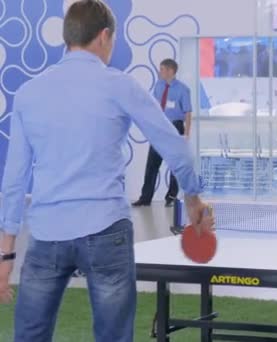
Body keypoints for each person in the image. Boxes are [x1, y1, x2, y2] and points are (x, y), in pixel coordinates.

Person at [0, 1, 212, 341]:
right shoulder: (121, 85)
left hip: (46, 234)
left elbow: (13, 179)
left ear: (67, 38)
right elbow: (171, 143)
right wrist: (192, 196)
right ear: (104, 36)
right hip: (106, 231)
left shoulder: (28, 93)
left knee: (29, 336)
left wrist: (6, 252)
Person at [132, 58, 192, 208]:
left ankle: (171, 197)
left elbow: (188, 112)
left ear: (171, 71)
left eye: (162, 69)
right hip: (159, 128)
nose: (160, 72)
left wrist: (187, 134)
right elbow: (154, 107)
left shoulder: (183, 90)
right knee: (152, 164)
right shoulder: (159, 86)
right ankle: (145, 198)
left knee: (174, 166)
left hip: (175, 127)